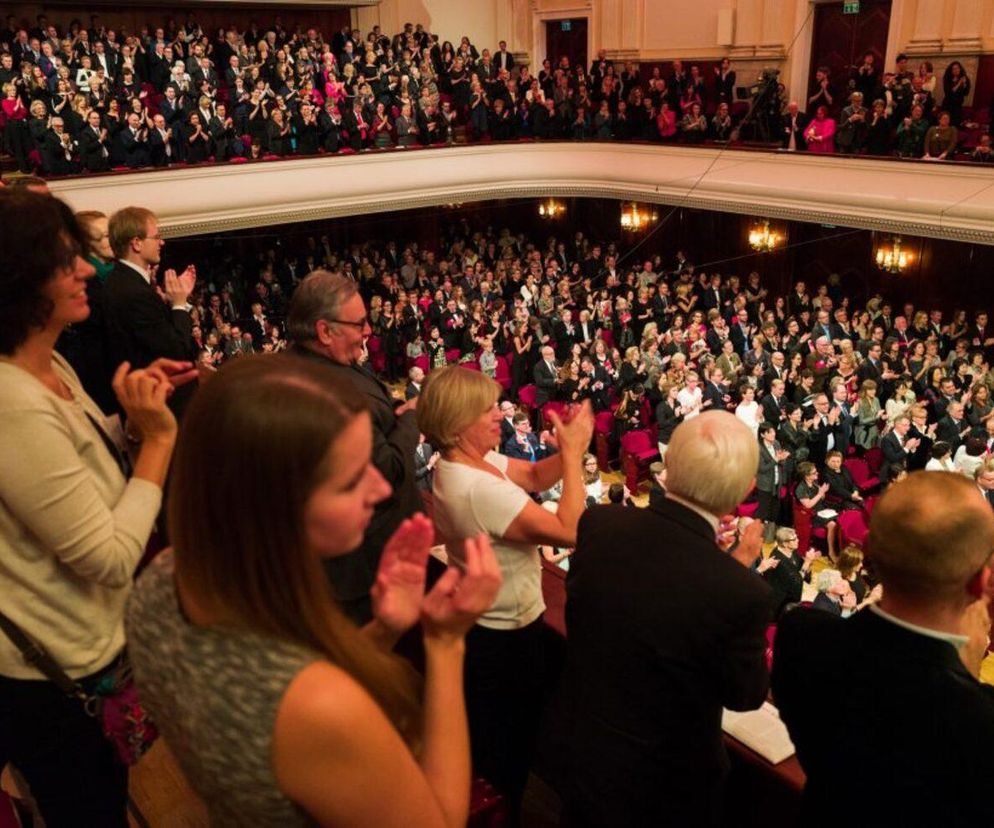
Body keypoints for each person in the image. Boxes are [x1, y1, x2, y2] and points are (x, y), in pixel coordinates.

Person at [127, 354, 502, 827]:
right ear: (275, 507)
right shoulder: (315, 708)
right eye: (348, 481)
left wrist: (383, 629)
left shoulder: (162, 578)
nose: (379, 490)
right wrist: (445, 643)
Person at [0, 191, 193, 826]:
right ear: (21, 282)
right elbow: (109, 556)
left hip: (84, 650)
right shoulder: (12, 402)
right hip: (53, 685)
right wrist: (160, 439)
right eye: (66, 262)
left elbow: (84, 474)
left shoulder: (49, 363)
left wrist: (132, 419)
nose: (88, 269)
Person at [559, 411, 771, 827]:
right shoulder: (742, 591)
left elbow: (645, 593)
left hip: (584, 745)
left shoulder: (601, 523)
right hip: (669, 786)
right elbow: (745, 695)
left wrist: (718, 560)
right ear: (745, 491)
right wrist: (736, 567)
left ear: (667, 466)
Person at [416, 365, 594, 816]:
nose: (501, 414)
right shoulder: (475, 487)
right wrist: (573, 458)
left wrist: (574, 447)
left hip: (494, 625)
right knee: (506, 753)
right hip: (504, 637)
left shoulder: (469, 460)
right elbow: (568, 529)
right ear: (458, 423)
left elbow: (534, 479)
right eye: (488, 409)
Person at [773, 472, 994, 824]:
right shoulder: (980, 721)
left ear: (869, 551)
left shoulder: (801, 637)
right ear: (982, 583)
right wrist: (964, 666)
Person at [287, 270, 423, 624]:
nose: (368, 331)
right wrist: (411, 419)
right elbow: (386, 471)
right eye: (360, 323)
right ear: (324, 331)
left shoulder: (305, 363)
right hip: (369, 567)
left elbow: (375, 413)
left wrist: (394, 411)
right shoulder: (337, 394)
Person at [104, 206, 199, 414]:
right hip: (166, 407)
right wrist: (179, 304)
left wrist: (168, 301)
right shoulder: (134, 292)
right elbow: (178, 353)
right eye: (157, 237)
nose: (162, 242)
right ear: (137, 243)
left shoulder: (126, 282)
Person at [756, 527, 819, 620]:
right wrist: (807, 562)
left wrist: (809, 563)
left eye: (796, 537)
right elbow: (796, 581)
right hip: (781, 601)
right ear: (785, 543)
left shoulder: (793, 552)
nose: (798, 540)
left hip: (791, 595)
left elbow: (803, 571)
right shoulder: (778, 559)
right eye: (794, 539)